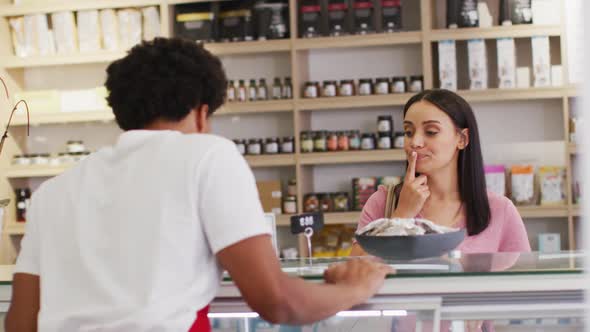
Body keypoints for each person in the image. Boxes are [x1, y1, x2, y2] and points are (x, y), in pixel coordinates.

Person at [6, 37, 392, 332]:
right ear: (202, 112)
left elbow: (20, 324)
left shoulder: (54, 192)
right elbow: (277, 302)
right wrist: (356, 289)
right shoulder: (208, 156)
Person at [351, 89, 531, 256]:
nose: (415, 141)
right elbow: (354, 273)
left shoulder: (500, 210)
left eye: (430, 132)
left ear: (462, 139)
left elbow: (524, 282)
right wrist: (401, 217)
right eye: (408, 132)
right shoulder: (382, 202)